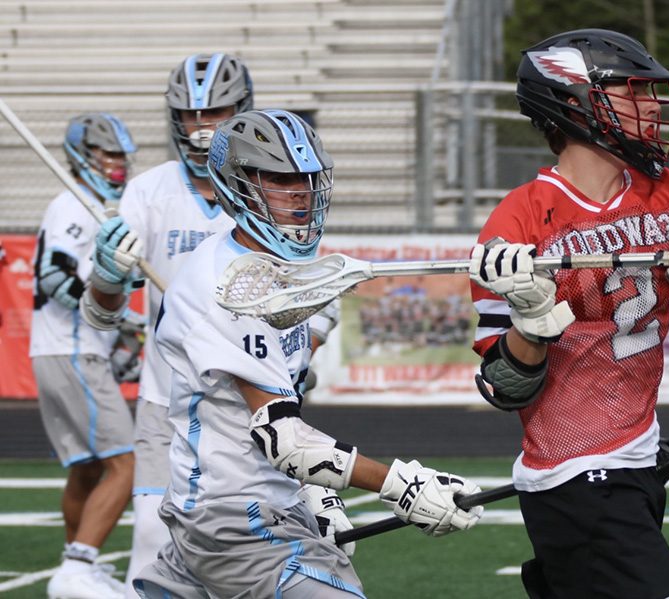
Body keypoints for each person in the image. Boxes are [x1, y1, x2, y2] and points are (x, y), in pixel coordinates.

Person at [102, 109, 482, 598]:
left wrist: (315, 494)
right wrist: (403, 486)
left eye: (306, 178)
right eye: (280, 179)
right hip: (236, 518)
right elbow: (283, 439)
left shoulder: (282, 275)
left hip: (234, 501)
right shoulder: (228, 286)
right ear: (238, 183)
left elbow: (273, 411)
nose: (300, 193)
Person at [468, 29, 669, 599]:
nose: (649, 107)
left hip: (638, 459)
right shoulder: (518, 222)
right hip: (573, 475)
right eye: (630, 92)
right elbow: (503, 388)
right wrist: (530, 322)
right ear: (572, 103)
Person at [79, 52, 254, 598]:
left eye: (215, 113)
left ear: (241, 111)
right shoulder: (148, 193)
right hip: (166, 401)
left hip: (250, 401)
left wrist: (300, 357)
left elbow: (317, 305)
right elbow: (100, 310)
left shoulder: (268, 186)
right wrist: (108, 275)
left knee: (252, 550)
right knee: (154, 543)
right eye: (190, 115)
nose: (201, 129)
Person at [30, 112, 138, 599]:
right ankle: (79, 565)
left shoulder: (99, 206)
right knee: (127, 462)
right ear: (84, 156)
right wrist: (114, 316)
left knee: (88, 466)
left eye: (122, 155)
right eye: (108, 154)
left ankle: (78, 568)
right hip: (71, 348)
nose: (118, 164)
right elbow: (54, 277)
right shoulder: (75, 205)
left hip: (61, 349)